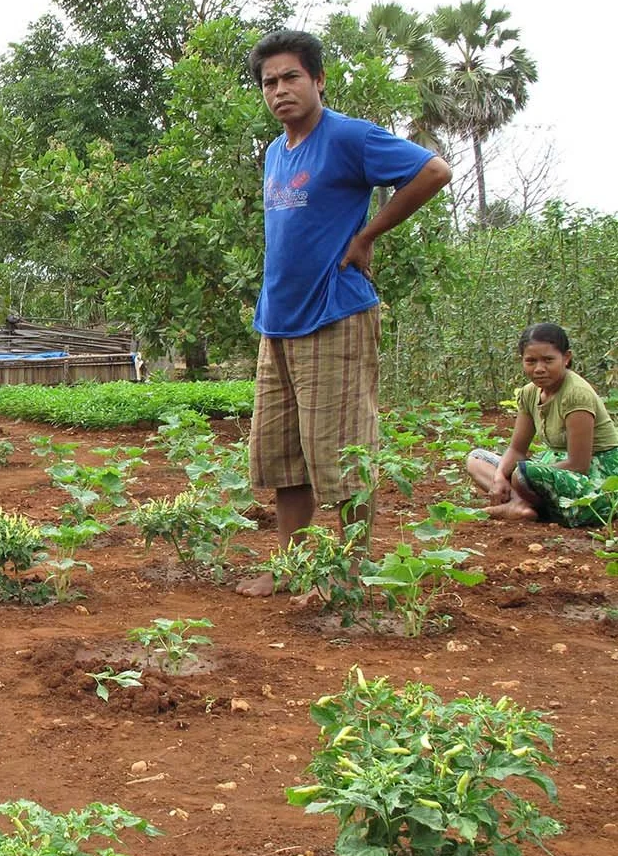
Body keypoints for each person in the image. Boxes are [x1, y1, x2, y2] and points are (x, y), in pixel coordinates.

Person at [236, 30, 453, 597]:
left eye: (291, 78)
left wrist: (368, 235)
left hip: (335, 315)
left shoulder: (349, 137)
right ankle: (290, 568)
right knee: (284, 455)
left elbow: (434, 171)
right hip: (278, 320)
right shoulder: (276, 153)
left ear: (318, 80)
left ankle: (347, 574)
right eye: (269, 82)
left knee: (342, 452)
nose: (279, 90)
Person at [466, 323, 618, 526]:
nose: (539, 369)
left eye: (548, 360)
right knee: (476, 459)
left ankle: (520, 504)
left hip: (595, 476)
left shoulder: (576, 394)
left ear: (566, 358)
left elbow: (578, 465)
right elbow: (517, 449)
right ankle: (524, 505)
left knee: (522, 474)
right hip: (553, 466)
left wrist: (520, 477)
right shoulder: (530, 393)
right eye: (531, 361)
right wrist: (501, 476)